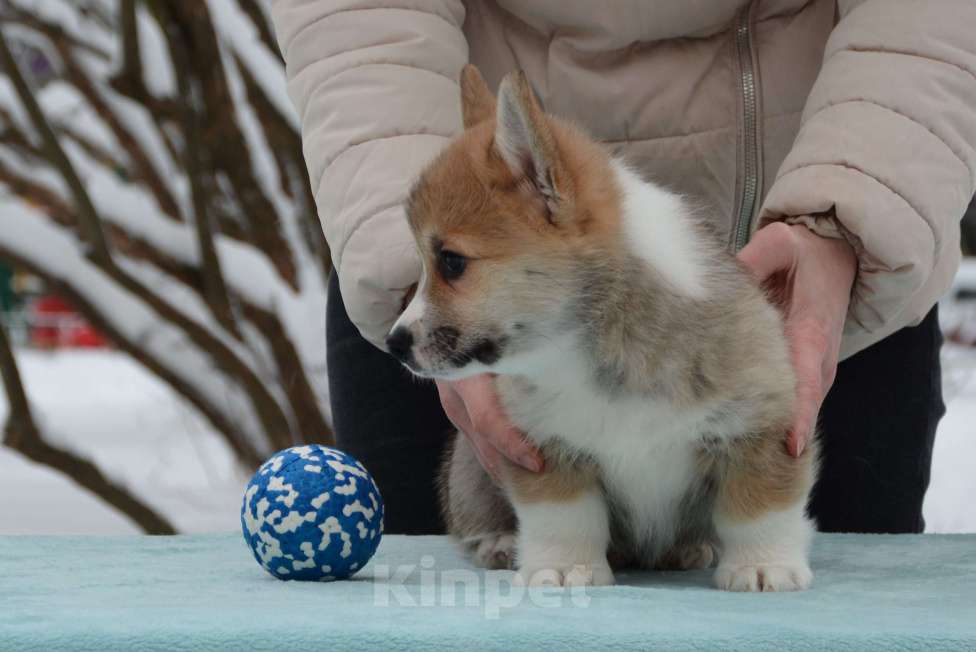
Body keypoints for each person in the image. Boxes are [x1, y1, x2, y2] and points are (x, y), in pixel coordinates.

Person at [271, 0, 976, 535]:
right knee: (439, 611)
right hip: (470, 221)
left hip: (816, 276)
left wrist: (847, 212)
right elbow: (360, 17)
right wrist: (415, 254)